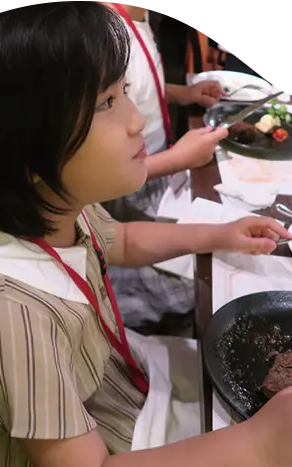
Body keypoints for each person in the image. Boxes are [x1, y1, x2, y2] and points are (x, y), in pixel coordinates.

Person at [0, 0, 292, 467]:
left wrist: (216, 233)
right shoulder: (7, 314)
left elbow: (122, 238)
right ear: (23, 151)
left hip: (112, 386)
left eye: (123, 92)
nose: (136, 121)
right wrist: (262, 445)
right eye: (106, 104)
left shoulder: (52, 207)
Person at [100, 2, 226, 332]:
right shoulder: (105, 34)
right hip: (130, 186)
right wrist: (177, 160)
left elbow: (138, 88)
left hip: (154, 163)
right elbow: (105, 174)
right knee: (204, 282)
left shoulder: (138, 16)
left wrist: (184, 94)